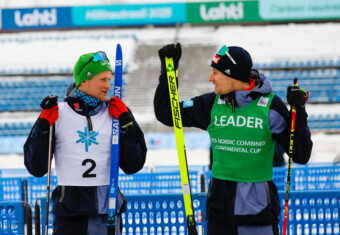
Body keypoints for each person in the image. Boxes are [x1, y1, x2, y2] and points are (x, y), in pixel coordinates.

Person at [154, 43, 312, 235]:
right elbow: (167, 113)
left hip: (258, 216)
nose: (211, 79)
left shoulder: (270, 107)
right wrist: (168, 72)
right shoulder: (212, 104)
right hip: (219, 216)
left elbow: (301, 154)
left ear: (232, 74)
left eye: (215, 73)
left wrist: (299, 111)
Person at [24, 51, 147, 235]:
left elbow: (133, 165)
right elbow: (36, 168)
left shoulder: (116, 112)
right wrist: (42, 128)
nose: (108, 85)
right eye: (102, 80)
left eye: (109, 79)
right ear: (84, 80)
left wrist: (126, 123)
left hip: (109, 210)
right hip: (71, 213)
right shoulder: (58, 112)